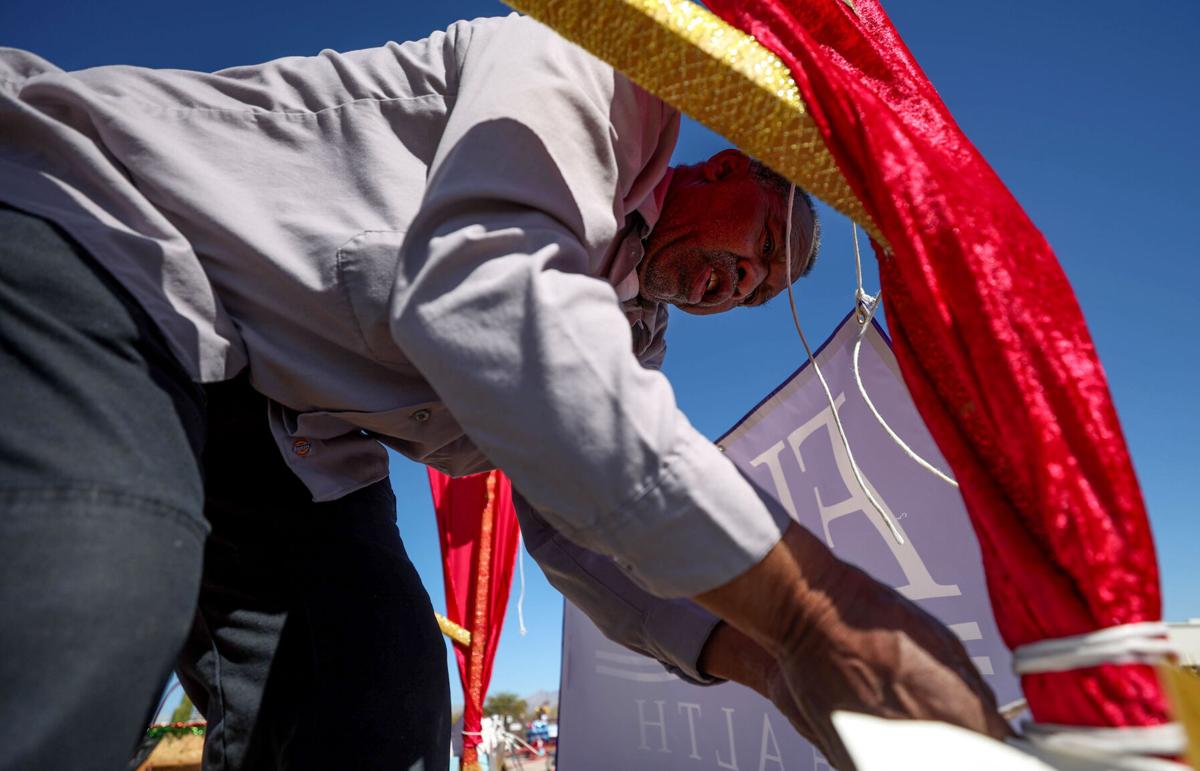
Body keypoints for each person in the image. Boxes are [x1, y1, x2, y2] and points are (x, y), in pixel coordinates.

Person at [0, 13, 1006, 771]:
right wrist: (818, 614)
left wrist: (771, 664)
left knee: (379, 703)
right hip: (104, 234)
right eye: (760, 250)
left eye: (756, 293)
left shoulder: (626, 334)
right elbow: (487, 289)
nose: (737, 287)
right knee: (93, 588)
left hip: (281, 421)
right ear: (723, 167)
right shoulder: (594, 71)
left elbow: (577, 529)